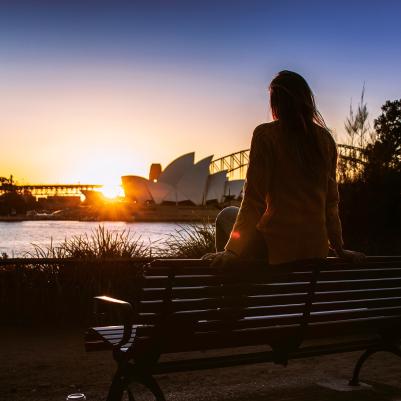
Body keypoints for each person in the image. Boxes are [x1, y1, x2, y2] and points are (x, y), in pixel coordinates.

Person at [208, 70, 365, 266]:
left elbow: (253, 200)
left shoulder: (266, 135)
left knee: (226, 215)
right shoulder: (325, 140)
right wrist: (339, 248)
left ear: (276, 103)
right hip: (315, 250)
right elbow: (331, 204)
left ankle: (228, 289)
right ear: (307, 101)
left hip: (277, 250)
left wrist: (232, 251)